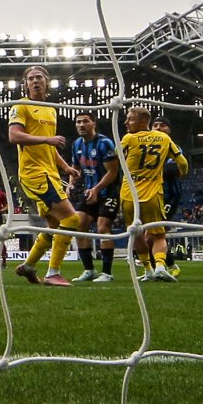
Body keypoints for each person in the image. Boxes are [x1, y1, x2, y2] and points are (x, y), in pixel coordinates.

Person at [9, 65, 82, 287]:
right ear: (26, 84)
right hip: (34, 174)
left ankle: (29, 265)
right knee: (72, 218)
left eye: (39, 77)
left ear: (46, 82)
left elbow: (49, 148)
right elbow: (14, 136)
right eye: (30, 79)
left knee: (53, 226)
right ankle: (53, 273)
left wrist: (65, 167)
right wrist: (46, 141)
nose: (34, 81)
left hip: (49, 172)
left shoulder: (50, 110)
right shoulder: (21, 106)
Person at [118, 106, 189, 282]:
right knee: (159, 235)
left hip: (129, 194)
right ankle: (159, 266)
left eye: (130, 119)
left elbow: (115, 155)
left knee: (136, 234)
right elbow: (183, 162)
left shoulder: (128, 138)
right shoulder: (163, 139)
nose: (126, 122)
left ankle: (148, 269)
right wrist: (182, 172)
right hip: (152, 194)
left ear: (143, 121)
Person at [68, 111, 120, 283]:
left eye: (85, 121)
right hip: (90, 191)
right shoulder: (76, 144)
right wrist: (71, 182)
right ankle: (89, 270)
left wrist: (96, 189)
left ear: (93, 124)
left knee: (102, 227)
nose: (81, 125)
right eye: (78, 122)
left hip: (108, 192)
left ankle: (107, 273)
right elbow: (75, 168)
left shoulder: (105, 143)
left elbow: (113, 172)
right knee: (79, 224)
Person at [152, 117, 184, 278]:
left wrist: (147, 169)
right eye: (155, 125)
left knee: (156, 233)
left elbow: (172, 169)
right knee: (148, 234)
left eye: (162, 125)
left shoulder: (174, 148)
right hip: (150, 195)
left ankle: (161, 267)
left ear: (169, 130)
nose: (158, 128)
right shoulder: (148, 148)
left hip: (169, 196)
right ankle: (169, 266)